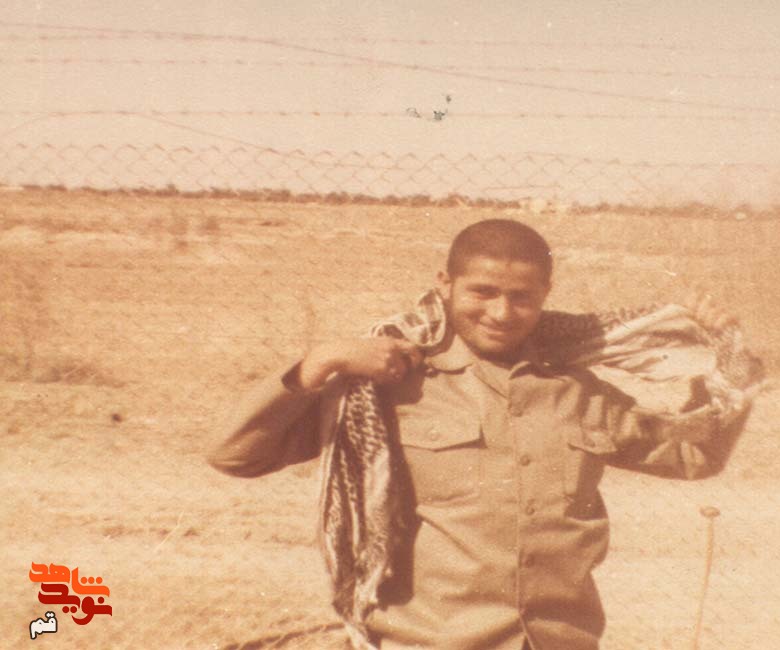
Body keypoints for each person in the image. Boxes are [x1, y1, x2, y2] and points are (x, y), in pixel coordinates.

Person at [208, 218, 739, 650]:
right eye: (482, 292)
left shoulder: (576, 390)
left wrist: (731, 358)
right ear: (445, 283)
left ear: (545, 294)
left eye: (521, 297)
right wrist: (317, 364)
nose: (502, 313)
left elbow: (694, 455)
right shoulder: (389, 383)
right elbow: (234, 455)